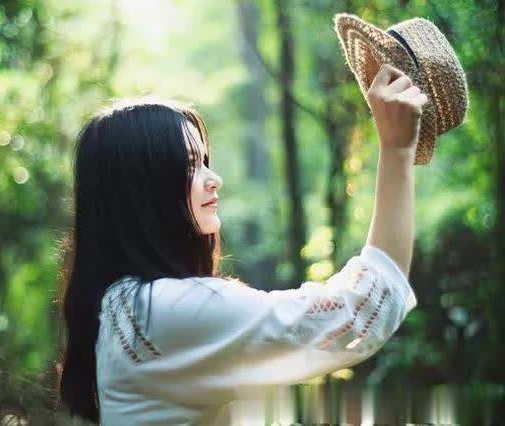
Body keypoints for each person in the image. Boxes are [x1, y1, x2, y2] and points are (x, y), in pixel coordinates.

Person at [58, 63, 426, 425]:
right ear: (143, 190)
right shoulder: (159, 311)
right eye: (189, 165)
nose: (213, 178)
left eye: (204, 161)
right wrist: (396, 151)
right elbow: (357, 311)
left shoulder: (124, 304)